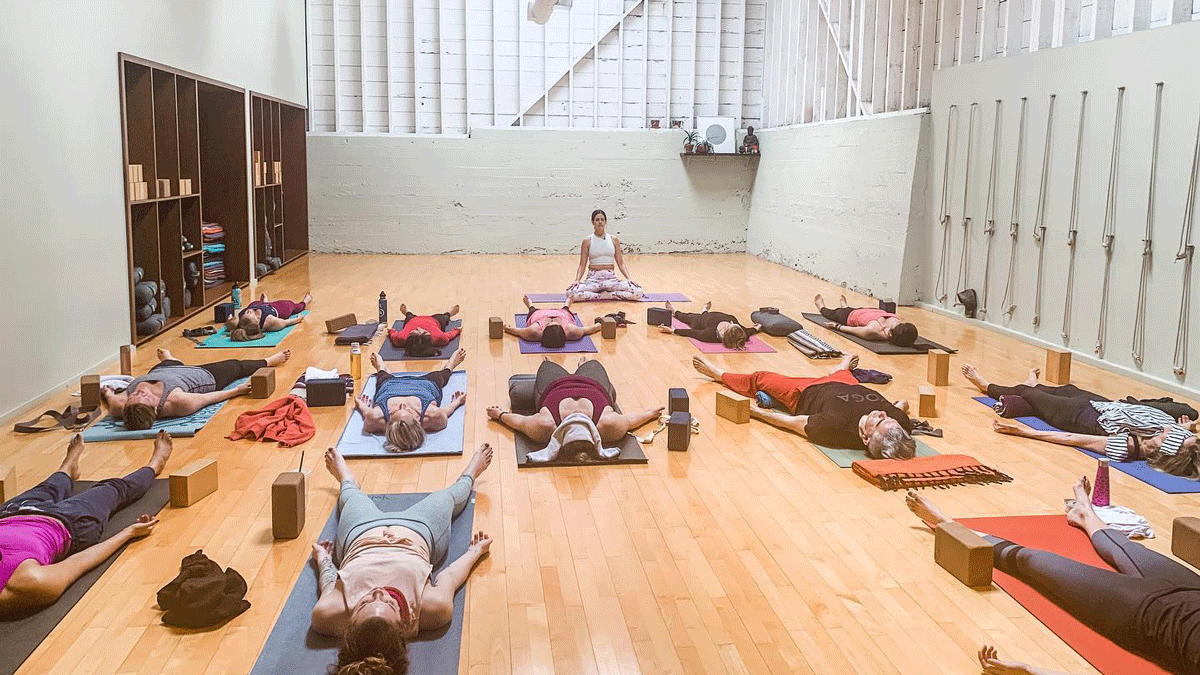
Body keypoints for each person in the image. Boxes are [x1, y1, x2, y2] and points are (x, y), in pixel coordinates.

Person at [907, 478, 1200, 675]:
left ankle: (947, 523)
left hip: (1147, 615)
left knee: (1033, 561)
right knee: (1122, 546)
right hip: (1192, 590)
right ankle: (1086, 514)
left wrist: (1034, 671)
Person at [310, 446, 493, 675]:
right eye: (389, 603)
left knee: (349, 496)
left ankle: (347, 479)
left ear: (350, 625)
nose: (378, 592)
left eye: (364, 603)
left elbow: (329, 584)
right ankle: (470, 474)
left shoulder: (329, 614)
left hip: (360, 532)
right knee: (449, 496)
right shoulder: (432, 609)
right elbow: (450, 576)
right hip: (418, 531)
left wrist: (323, 558)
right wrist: (475, 552)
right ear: (403, 626)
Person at [0, 432, 171, 615]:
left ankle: (68, 467)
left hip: (10, 512)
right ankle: (155, 464)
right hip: (68, 522)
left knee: (50, 486)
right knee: (112, 488)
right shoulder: (27, 582)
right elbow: (79, 562)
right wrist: (128, 533)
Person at [963, 363, 1200, 478]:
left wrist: (1022, 432)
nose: (1178, 430)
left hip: (1081, 417)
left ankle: (987, 385)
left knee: (1027, 394)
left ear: (1165, 446)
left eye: (1178, 435)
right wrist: (1186, 427)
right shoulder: (1165, 435)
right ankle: (1033, 387)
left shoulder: (1127, 447)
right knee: (1066, 387)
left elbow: (1072, 438)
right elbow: (1185, 437)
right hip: (1106, 405)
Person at [692, 354, 917, 459]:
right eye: (888, 417)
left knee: (760, 377)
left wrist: (755, 412)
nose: (882, 412)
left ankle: (719, 374)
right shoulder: (898, 422)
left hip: (804, 391)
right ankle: (842, 368)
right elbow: (901, 406)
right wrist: (899, 408)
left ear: (866, 439)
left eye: (879, 420)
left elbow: (792, 423)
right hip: (846, 383)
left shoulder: (833, 428)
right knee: (844, 374)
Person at [486, 357, 662, 459]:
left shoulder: (545, 426)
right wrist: (649, 414)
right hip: (593, 383)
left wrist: (500, 414)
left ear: (561, 434)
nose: (577, 416)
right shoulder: (608, 426)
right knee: (592, 361)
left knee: (547, 364)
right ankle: (581, 367)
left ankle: (570, 366)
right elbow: (630, 421)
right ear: (594, 434)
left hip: (554, 384)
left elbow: (521, 421)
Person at [101, 348, 291, 430]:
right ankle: (270, 360)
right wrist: (237, 390)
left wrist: (106, 392)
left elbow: (109, 396)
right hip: (201, 375)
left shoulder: (119, 406)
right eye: (143, 396)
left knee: (169, 363)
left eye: (134, 394)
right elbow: (210, 398)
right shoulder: (178, 402)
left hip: (162, 370)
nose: (139, 391)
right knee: (235, 366)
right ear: (154, 406)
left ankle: (170, 358)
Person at [355, 350, 467, 452]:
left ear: (388, 425)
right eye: (408, 411)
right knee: (440, 376)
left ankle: (381, 367)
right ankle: (450, 365)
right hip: (425, 385)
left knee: (382, 376)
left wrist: (361, 405)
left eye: (393, 412)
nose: (402, 405)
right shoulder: (432, 416)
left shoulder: (376, 418)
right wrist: (457, 402)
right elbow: (444, 412)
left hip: (390, 385)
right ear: (418, 423)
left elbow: (366, 413)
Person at [567, 209, 644, 301]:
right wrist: (577, 280)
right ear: (593, 222)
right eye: (597, 220)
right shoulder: (587, 241)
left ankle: (610, 295)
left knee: (638, 292)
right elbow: (582, 265)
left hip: (610, 279)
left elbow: (621, 263)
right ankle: (599, 296)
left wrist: (629, 278)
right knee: (571, 292)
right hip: (593, 279)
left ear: (605, 222)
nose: (600, 222)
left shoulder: (614, 240)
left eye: (602, 220)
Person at [814, 293, 919, 347]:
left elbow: (853, 330)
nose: (898, 322)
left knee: (832, 313)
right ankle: (845, 306)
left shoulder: (875, 331)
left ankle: (821, 306)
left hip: (849, 316)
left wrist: (836, 326)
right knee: (850, 309)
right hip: (866, 311)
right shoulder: (898, 323)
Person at [656, 300, 762, 350]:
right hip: (714, 315)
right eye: (732, 323)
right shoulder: (740, 331)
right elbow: (749, 331)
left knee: (688, 317)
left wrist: (671, 330)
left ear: (722, 332)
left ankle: (675, 311)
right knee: (706, 314)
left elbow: (691, 333)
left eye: (729, 325)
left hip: (702, 321)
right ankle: (704, 310)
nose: (731, 322)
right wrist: (757, 328)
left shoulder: (708, 335)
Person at [502, 296, 601, 349]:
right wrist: (599, 325)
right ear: (564, 331)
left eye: (550, 323)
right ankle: (567, 304)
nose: (552, 320)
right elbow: (587, 330)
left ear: (543, 331)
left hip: (539, 314)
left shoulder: (533, 332)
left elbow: (517, 331)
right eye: (555, 323)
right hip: (562, 313)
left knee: (532, 311)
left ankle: (530, 305)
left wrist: (505, 327)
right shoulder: (572, 332)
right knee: (566, 310)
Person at [225, 292, 312, 342]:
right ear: (256, 321)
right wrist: (298, 319)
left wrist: (230, 319)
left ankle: (265, 302)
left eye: (246, 313)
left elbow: (230, 321)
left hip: (261, 306)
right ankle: (305, 301)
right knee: (292, 305)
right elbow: (285, 322)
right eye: (250, 313)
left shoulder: (241, 320)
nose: (248, 311)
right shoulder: (269, 321)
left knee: (253, 305)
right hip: (275, 309)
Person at [387, 303, 461, 358]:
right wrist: (457, 330)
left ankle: (408, 312)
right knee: (443, 318)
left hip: (412, 320)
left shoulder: (401, 339)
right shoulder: (439, 338)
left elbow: (393, 335)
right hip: (435, 320)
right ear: (430, 338)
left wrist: (391, 330)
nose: (419, 328)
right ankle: (449, 313)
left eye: (415, 330)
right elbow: (450, 335)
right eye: (424, 331)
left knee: (409, 316)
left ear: (409, 338)